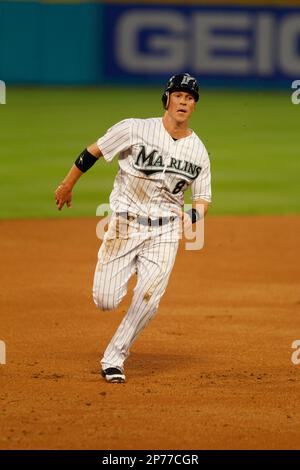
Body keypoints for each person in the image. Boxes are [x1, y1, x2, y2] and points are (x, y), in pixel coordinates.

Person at [54, 73, 212, 383]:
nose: (183, 101)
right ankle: (127, 269)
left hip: (165, 231)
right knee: (106, 300)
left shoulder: (199, 151)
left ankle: (114, 358)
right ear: (166, 99)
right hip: (125, 224)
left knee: (149, 299)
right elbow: (93, 152)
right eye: (178, 95)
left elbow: (203, 199)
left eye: (190, 97)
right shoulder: (134, 128)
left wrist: (191, 217)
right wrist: (67, 184)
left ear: (194, 106)